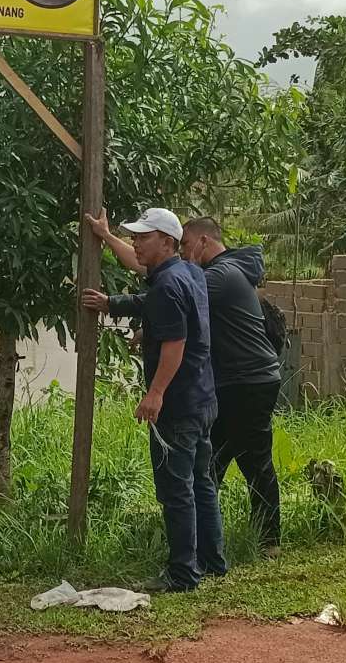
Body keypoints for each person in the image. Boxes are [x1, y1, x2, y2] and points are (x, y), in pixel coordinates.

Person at [88, 212, 283, 555]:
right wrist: (105, 236)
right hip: (224, 384)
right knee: (207, 471)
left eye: (186, 244)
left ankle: (266, 542)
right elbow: (148, 268)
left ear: (203, 242)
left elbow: (168, 300)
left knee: (253, 460)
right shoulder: (199, 271)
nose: (183, 250)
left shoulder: (218, 275)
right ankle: (209, 550)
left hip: (248, 381)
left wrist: (114, 304)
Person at [80, 207, 225, 592]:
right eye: (136, 237)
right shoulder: (189, 272)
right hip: (203, 398)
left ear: (167, 241)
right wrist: (106, 239)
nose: (136, 243)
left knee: (176, 489)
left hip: (177, 404)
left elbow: (174, 346)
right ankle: (212, 562)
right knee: (201, 481)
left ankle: (182, 573)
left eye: (144, 237)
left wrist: (154, 394)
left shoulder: (167, 285)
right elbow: (146, 293)